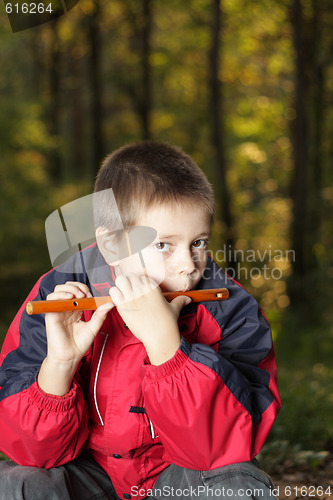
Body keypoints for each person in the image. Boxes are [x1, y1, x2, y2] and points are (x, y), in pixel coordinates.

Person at [0, 141, 281, 500]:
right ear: (112, 246)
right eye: (163, 245)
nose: (187, 264)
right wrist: (60, 364)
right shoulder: (57, 293)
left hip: (178, 477)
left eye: (198, 242)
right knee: (16, 482)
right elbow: (32, 453)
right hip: (90, 474)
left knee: (239, 485)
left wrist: (168, 348)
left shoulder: (230, 307)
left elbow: (223, 450)